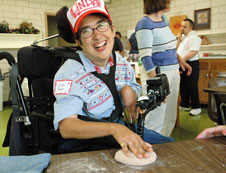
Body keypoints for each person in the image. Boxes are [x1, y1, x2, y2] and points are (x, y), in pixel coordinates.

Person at [53, 0, 174, 159]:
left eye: (101, 25)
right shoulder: (68, 73)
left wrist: (129, 89)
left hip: (120, 128)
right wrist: (115, 129)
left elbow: (132, 87)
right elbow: (66, 127)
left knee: (170, 146)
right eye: (86, 31)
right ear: (78, 42)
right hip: (85, 141)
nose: (97, 35)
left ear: (112, 29)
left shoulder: (119, 60)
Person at [135, 0, 192, 136]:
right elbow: (146, 57)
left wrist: (180, 60)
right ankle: (149, 147)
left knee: (169, 115)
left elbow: (169, 47)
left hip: (173, 71)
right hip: (158, 74)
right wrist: (156, 85)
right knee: (156, 117)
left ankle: (164, 145)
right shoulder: (144, 24)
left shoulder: (164, 20)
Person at [177, 19, 202, 116]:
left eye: (184, 27)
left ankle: (197, 107)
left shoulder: (194, 37)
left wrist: (181, 59)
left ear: (191, 28)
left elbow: (194, 51)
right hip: (182, 63)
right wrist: (178, 39)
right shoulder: (183, 37)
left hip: (191, 63)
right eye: (181, 26)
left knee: (192, 86)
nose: (182, 28)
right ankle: (185, 104)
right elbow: (177, 49)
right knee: (183, 85)